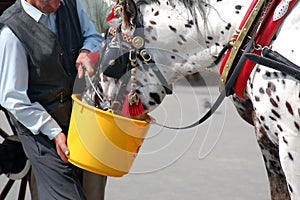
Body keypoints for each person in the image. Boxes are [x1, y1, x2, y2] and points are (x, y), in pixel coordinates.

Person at [0, 0, 107, 199]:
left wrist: (86, 52)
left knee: (93, 191)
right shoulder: (12, 33)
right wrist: (54, 132)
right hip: (40, 130)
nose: (58, 3)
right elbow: (13, 98)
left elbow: (93, 37)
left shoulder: (70, 5)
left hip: (80, 117)